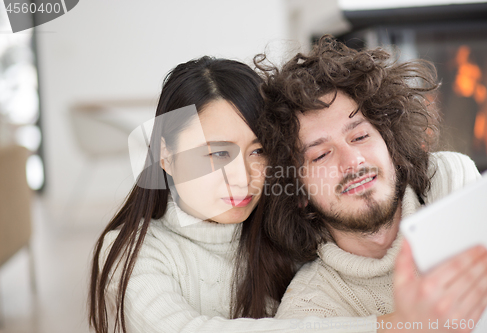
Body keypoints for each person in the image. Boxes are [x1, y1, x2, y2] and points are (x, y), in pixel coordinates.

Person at [88, 56, 387, 333]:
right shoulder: (133, 250)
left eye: (258, 151)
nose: (243, 178)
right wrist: (388, 326)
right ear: (166, 155)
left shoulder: (282, 227)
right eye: (218, 153)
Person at [254, 35, 487, 331]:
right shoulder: (307, 310)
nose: (353, 161)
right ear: (299, 191)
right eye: (320, 155)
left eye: (359, 136)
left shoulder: (451, 181)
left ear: (389, 143)